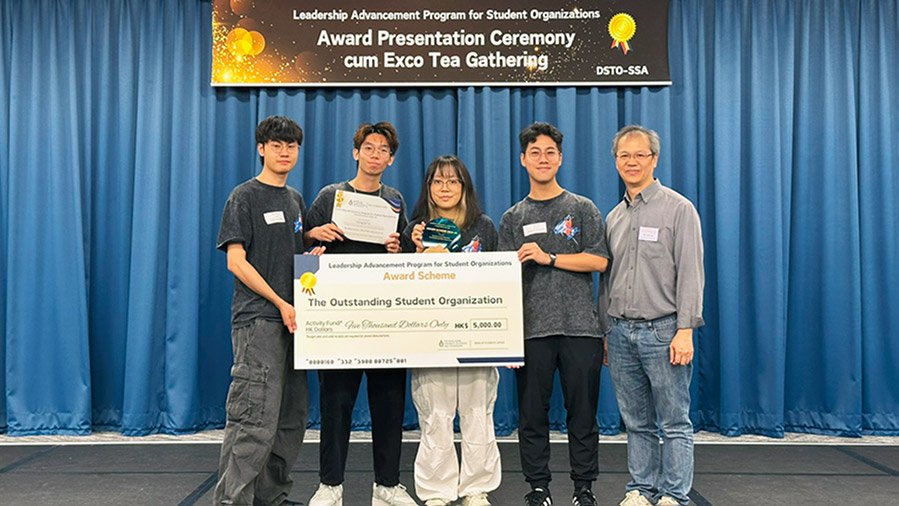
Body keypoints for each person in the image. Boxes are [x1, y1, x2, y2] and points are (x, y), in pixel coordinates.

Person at [304, 122, 417, 506]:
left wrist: (397, 249)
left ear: (391, 159)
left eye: (383, 149)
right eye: (368, 147)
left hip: (385, 318)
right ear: (356, 153)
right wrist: (315, 236)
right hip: (338, 320)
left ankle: (387, 485)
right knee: (336, 403)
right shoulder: (330, 196)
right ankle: (330, 486)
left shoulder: (395, 200)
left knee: (389, 403)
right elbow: (302, 246)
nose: (375, 155)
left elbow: (405, 256)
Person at [498, 122, 610, 506]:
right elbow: (504, 280)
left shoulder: (582, 208)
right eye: (535, 153)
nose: (542, 159)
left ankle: (584, 489)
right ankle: (538, 488)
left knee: (583, 415)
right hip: (532, 333)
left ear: (560, 159)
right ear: (523, 160)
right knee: (532, 417)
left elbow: (599, 260)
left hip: (581, 330)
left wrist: (549, 257)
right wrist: (506, 337)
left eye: (550, 152)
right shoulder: (512, 217)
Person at [214, 115, 317, 506]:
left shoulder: (295, 200)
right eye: (276, 145)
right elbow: (236, 262)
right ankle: (233, 500)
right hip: (259, 321)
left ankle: (272, 497)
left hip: (294, 324)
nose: (284, 152)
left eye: (291, 146)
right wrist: (279, 302)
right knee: (253, 418)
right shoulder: (244, 196)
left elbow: (291, 257)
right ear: (261, 149)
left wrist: (314, 252)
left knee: (290, 418)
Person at [599, 125, 704, 506]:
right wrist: (606, 332)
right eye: (624, 155)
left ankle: (674, 494)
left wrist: (685, 330)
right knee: (636, 422)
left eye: (640, 155)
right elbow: (607, 280)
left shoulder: (678, 209)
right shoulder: (613, 217)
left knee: (674, 421)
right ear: (616, 161)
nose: (632, 162)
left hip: (665, 332)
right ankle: (641, 490)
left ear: (654, 159)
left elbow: (691, 272)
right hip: (620, 333)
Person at [400, 155, 501, 506]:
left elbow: (499, 280)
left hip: (476, 333)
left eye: (453, 181)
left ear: (464, 187)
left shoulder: (484, 227)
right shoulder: (414, 229)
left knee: (477, 412)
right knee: (435, 414)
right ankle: (436, 491)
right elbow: (400, 287)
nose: (445, 188)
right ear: (428, 188)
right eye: (438, 181)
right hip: (430, 334)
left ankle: (476, 488)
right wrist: (415, 250)